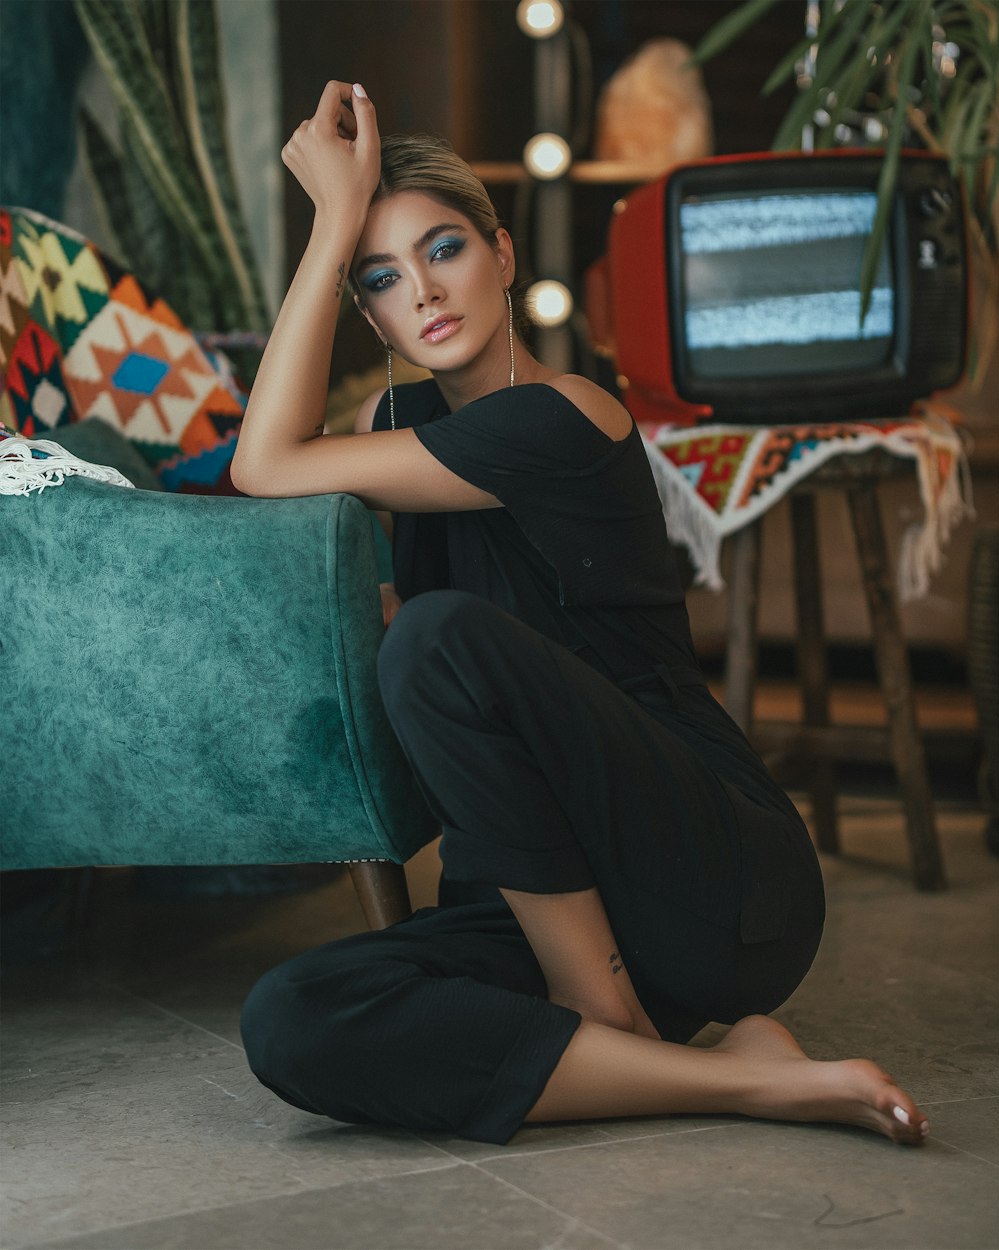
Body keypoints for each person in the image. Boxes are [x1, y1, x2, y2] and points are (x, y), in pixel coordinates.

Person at [233, 81, 929, 1147]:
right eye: (378, 277)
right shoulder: (397, 426)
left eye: (444, 249)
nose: (420, 291)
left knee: (431, 634)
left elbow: (266, 462)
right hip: (527, 890)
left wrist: (335, 213)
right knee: (291, 1018)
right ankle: (731, 1071)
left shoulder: (562, 416)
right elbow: (268, 475)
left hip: (710, 876)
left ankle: (613, 1027)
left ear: (504, 256)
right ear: (362, 310)